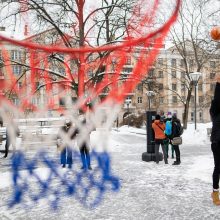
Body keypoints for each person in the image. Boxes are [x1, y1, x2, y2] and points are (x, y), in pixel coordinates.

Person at [210, 75, 220, 205]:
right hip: (217, 143)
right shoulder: (216, 112)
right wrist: (218, 84)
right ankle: (215, 192)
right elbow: (217, 100)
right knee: (218, 167)